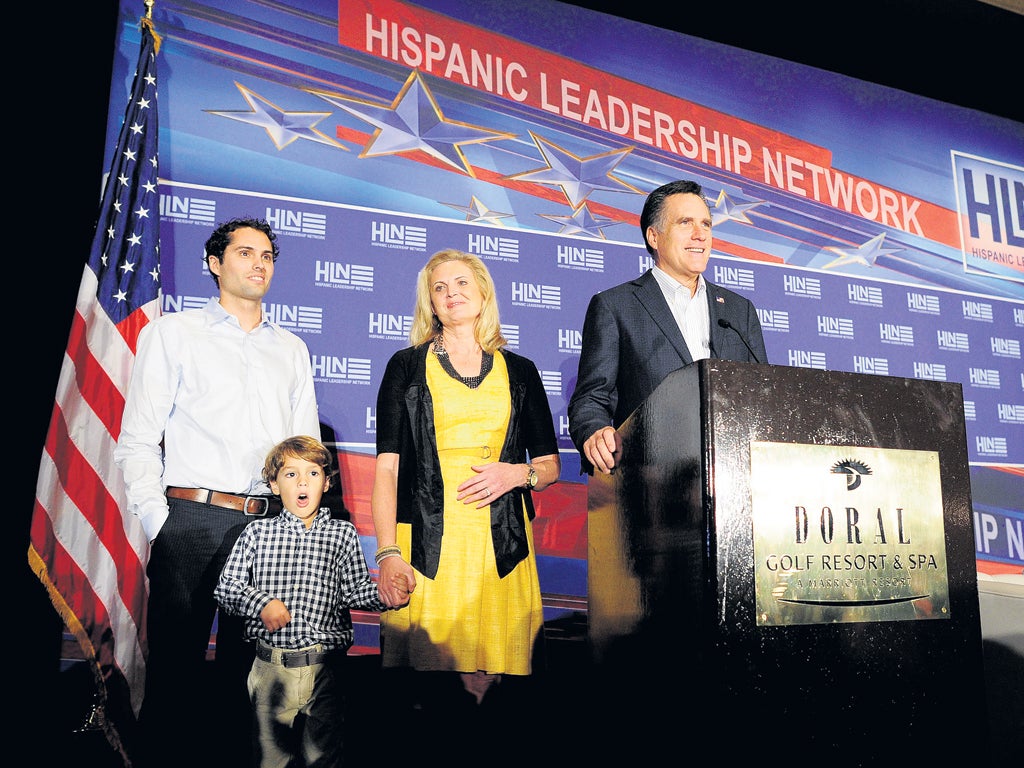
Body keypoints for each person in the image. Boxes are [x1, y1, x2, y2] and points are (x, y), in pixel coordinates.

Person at [114, 216, 320, 768]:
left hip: (267, 528)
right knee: (176, 675)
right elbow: (137, 440)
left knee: (251, 680)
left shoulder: (292, 349)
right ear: (215, 263)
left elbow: (305, 455)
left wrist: (295, 529)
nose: (259, 264)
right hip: (191, 519)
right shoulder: (174, 333)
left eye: (268, 255)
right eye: (246, 252)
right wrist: (163, 523)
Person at [371, 248, 560, 746]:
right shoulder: (406, 366)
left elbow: (549, 465)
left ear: (483, 294)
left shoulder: (520, 370)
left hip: (502, 548)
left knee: (497, 696)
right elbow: (387, 469)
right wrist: (388, 552)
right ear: (430, 303)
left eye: (461, 284)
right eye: (439, 288)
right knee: (428, 697)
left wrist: (515, 474)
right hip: (427, 547)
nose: (451, 294)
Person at [215, 435, 407, 768]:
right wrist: (261, 602)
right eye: (291, 475)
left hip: (325, 669)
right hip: (272, 669)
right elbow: (227, 588)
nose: (303, 482)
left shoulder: (342, 534)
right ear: (274, 485)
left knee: (324, 757)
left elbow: (354, 590)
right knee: (270, 759)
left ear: (327, 482)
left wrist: (383, 594)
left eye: (313, 474)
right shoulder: (257, 534)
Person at [568, 179, 767, 475]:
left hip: (732, 473)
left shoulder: (739, 311)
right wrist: (594, 432)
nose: (700, 235)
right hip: (651, 477)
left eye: (706, 224)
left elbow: (762, 395)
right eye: (685, 223)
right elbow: (591, 397)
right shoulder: (616, 306)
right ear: (654, 236)